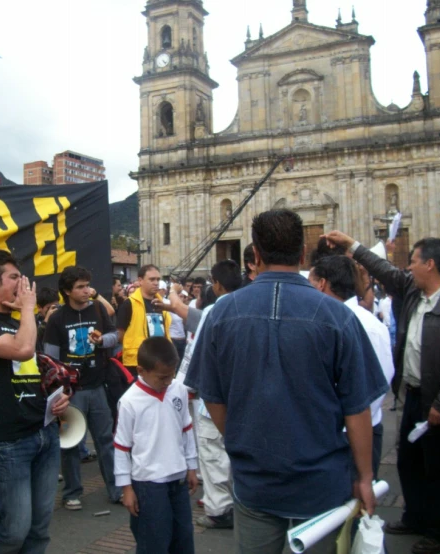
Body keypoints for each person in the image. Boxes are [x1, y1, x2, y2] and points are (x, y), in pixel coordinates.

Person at [188, 210, 388, 554]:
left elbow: (212, 396)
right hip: (321, 479)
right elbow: (358, 409)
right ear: (301, 255)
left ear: (257, 255)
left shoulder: (221, 312)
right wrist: (365, 477)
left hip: (255, 479)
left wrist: (238, 437)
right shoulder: (338, 316)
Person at [324, 230, 440, 554]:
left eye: (413, 261)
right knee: (409, 461)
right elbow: (384, 270)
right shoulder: (415, 292)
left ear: (430, 265)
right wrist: (353, 247)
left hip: (437, 399)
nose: (408, 267)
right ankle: (414, 515)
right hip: (414, 394)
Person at [0, 250, 69, 553]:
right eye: (13, 278)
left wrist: (57, 398)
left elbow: (33, 369)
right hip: (9, 442)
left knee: (38, 531)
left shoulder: (19, 321)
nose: (22, 284)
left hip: (44, 433)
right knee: (13, 531)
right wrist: (29, 310)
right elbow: (22, 350)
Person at [43, 265, 122, 510]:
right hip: (71, 392)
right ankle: (71, 493)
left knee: (106, 441)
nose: (87, 290)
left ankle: (116, 490)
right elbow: (50, 358)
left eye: (87, 285)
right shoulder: (57, 318)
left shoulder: (98, 308)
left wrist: (102, 341)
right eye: (80, 287)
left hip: (98, 386)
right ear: (67, 291)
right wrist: (58, 389)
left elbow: (114, 336)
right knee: (71, 445)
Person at [309, 255, 395, 479]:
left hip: (350, 434)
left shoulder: (361, 325)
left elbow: (376, 384)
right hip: (343, 432)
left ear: (322, 284)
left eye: (310, 283)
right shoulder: (365, 323)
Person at [114, 337, 199, 554]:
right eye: (162, 377)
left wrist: (191, 466)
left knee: (183, 539)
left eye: (171, 375)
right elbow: (122, 447)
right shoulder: (129, 401)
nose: (168, 381)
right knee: (154, 542)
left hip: (177, 478)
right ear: (141, 370)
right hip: (148, 483)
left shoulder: (177, 389)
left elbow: (186, 428)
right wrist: (126, 487)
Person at [182, 260, 243, 530]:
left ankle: (219, 510)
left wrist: (188, 386)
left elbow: (197, 353)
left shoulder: (214, 311)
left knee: (213, 451)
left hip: (214, 396)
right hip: (242, 394)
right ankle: (239, 502)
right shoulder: (248, 306)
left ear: (216, 284)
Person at [117, 264, 172, 375]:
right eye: (152, 279)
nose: (156, 282)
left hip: (160, 360)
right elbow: (120, 335)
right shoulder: (129, 304)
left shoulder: (161, 303)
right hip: (137, 363)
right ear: (140, 280)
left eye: (158, 279)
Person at [35, 287, 60, 353]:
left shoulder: (62, 318)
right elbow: (33, 339)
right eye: (49, 308)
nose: (53, 310)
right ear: (39, 307)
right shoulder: (33, 321)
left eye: (55, 306)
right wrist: (46, 321)